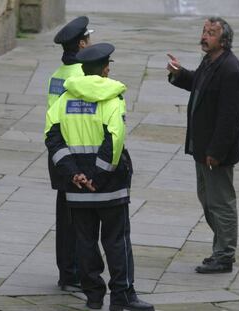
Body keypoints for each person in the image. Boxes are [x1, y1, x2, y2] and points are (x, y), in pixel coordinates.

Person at [45, 43, 155, 311]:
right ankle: (123, 295)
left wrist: (76, 175)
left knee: (85, 242)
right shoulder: (112, 98)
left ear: (82, 69)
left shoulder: (64, 100)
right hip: (110, 186)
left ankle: (94, 297)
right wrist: (98, 176)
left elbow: (53, 139)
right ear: (104, 69)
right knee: (117, 241)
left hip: (78, 188)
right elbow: (114, 140)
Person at [167, 17, 239, 274]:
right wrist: (179, 74)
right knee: (208, 200)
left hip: (215, 153)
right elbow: (198, 84)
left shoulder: (231, 70)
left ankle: (224, 256)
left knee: (221, 202)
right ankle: (220, 250)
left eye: (211, 33)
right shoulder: (211, 62)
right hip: (202, 149)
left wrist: (216, 152)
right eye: (204, 31)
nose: (205, 36)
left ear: (223, 40)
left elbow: (230, 118)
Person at [44, 16, 93, 291]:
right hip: (78, 159)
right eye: (90, 41)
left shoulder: (56, 75)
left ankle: (67, 272)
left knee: (65, 218)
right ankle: (76, 274)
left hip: (59, 156)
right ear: (82, 44)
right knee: (81, 221)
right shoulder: (82, 78)